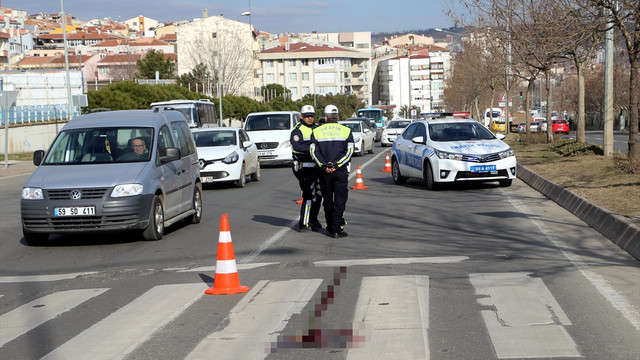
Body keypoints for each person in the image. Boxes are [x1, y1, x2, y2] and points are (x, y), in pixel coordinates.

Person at [310, 105, 354, 238]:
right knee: (340, 199)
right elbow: (349, 151)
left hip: (324, 171)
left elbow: (313, 152)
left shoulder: (317, 131)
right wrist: (336, 165)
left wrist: (324, 165)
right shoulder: (346, 130)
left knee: (327, 199)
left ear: (325, 117)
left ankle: (330, 226)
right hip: (340, 171)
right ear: (338, 117)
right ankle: (337, 227)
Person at [291, 105, 323, 232]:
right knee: (309, 194)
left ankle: (313, 219)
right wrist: (314, 147)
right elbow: (297, 147)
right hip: (304, 166)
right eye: (307, 116)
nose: (310, 118)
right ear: (301, 116)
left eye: (312, 116)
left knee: (319, 194)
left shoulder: (317, 128)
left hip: (317, 166)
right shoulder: (297, 130)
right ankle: (303, 223)